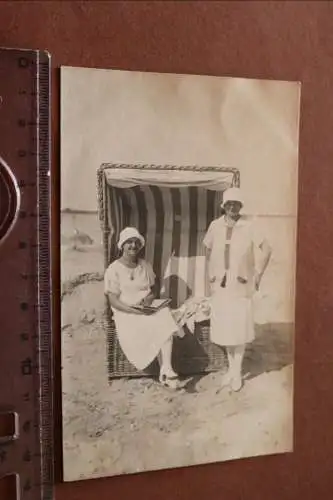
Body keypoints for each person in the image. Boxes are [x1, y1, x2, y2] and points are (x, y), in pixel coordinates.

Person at [203, 187, 272, 392]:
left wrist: (258, 272)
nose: (232, 207)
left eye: (236, 204)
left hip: (241, 285)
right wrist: (214, 273)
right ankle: (231, 371)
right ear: (223, 206)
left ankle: (236, 372)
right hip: (220, 286)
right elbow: (207, 248)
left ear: (241, 206)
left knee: (239, 328)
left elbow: (267, 249)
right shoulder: (215, 226)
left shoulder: (249, 226)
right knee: (225, 327)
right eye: (229, 204)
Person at [104, 227, 180, 389]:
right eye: (129, 242)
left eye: (136, 243)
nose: (133, 246)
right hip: (126, 312)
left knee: (164, 315)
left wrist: (148, 299)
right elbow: (113, 301)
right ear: (122, 245)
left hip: (146, 308)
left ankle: (166, 368)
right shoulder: (114, 269)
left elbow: (153, 288)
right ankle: (166, 371)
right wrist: (134, 310)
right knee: (158, 322)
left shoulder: (144, 265)